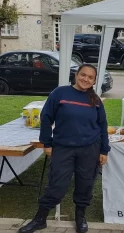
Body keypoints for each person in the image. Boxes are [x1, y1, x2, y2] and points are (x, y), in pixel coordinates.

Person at [19, 64, 110, 233]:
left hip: (90, 149)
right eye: (83, 75)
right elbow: (45, 117)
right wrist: (47, 142)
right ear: (76, 75)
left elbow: (102, 126)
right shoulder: (60, 93)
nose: (86, 79)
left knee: (85, 184)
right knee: (57, 185)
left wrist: (104, 150)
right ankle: (40, 219)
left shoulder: (95, 100)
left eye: (90, 77)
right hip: (63, 148)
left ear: (94, 81)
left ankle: (80, 217)